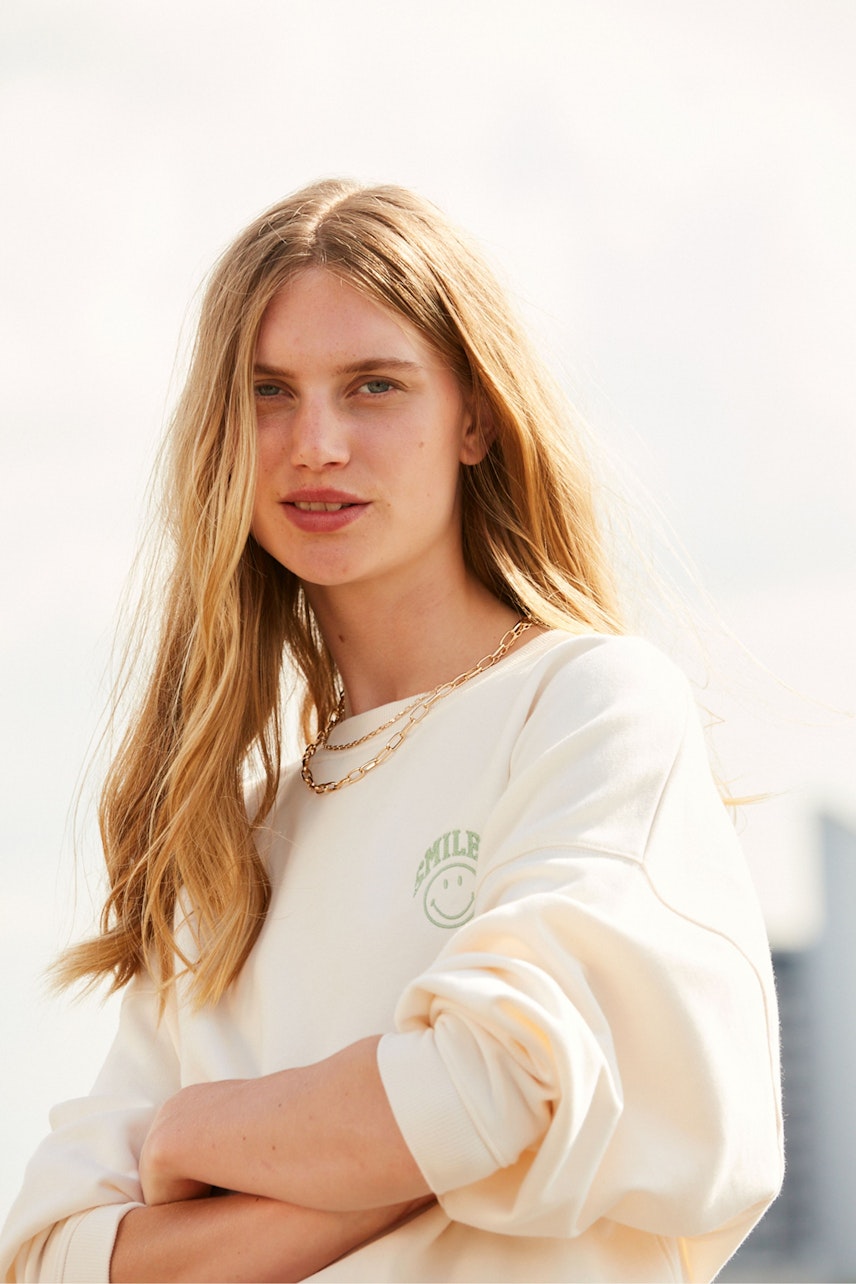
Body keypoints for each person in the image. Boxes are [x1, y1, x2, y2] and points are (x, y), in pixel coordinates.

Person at [0, 179, 783, 1283]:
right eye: (268, 392)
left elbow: (508, 1083)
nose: (315, 443)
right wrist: (398, 1142)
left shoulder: (587, 705)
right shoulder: (229, 838)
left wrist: (195, 1132)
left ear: (473, 416)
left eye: (373, 385)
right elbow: (53, 1259)